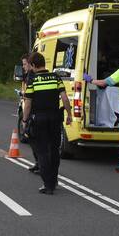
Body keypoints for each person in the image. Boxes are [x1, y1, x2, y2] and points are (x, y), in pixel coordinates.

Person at [22, 52, 73, 194]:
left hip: (39, 119)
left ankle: (48, 185)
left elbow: (27, 104)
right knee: (54, 151)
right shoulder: (55, 77)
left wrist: (25, 121)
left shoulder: (33, 81)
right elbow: (64, 97)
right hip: (55, 118)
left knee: (42, 152)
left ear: (33, 65)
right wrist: (69, 114)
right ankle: (54, 180)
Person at [19, 54, 40, 174]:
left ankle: (40, 164)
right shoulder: (27, 75)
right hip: (34, 111)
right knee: (32, 140)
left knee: (34, 140)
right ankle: (38, 163)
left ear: (31, 64)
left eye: (25, 64)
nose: (23, 67)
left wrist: (25, 120)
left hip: (33, 113)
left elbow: (30, 98)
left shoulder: (32, 76)